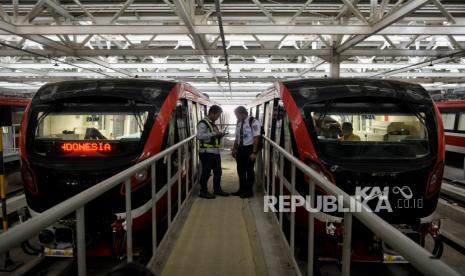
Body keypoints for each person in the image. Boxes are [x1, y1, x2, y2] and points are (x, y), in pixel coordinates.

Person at [196, 105, 229, 199]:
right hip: (206, 153)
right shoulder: (203, 123)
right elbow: (199, 136)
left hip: (215, 152)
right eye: (217, 115)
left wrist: (220, 135)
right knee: (206, 172)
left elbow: (212, 136)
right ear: (212, 113)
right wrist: (214, 133)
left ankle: (217, 189)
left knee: (218, 172)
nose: (218, 118)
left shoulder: (212, 123)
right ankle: (203, 191)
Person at [231, 106, 261, 198]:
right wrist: (234, 149)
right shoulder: (239, 122)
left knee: (249, 170)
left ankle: (249, 191)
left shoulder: (253, 122)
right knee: (240, 170)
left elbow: (256, 138)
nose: (236, 117)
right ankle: (241, 189)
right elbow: (237, 137)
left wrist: (254, 153)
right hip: (240, 149)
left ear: (243, 113)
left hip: (249, 149)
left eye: (237, 115)